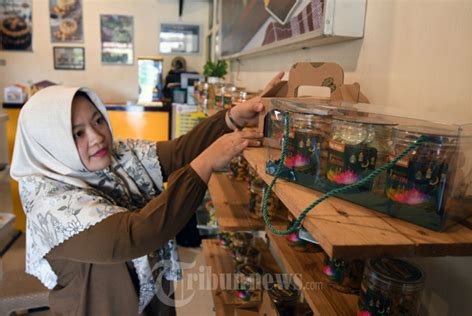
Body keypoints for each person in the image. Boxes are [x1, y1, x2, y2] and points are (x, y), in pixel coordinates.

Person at [10, 72, 284, 315]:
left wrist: (231, 118)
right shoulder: (48, 201)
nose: (96, 137)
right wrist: (205, 164)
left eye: (97, 120)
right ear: (51, 144)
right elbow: (133, 236)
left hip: (149, 292)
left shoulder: (117, 156)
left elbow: (177, 153)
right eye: (77, 134)